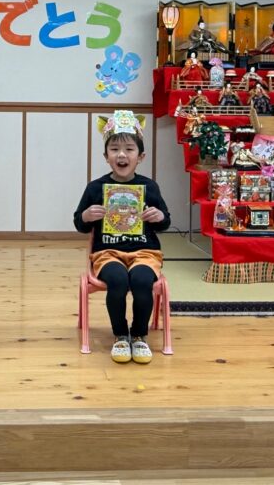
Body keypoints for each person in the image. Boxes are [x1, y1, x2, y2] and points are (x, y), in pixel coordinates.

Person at [73, 111, 170, 365]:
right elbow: (79, 224)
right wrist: (86, 216)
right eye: (114, 149)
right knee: (117, 280)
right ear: (106, 156)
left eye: (129, 149)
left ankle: (138, 335)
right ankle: (120, 335)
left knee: (141, 281)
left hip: (145, 253)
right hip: (107, 253)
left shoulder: (150, 187)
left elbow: (165, 223)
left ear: (141, 157)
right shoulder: (96, 188)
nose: (121, 155)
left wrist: (159, 216)